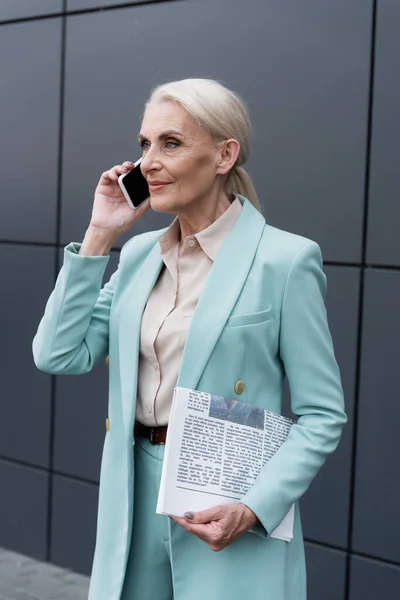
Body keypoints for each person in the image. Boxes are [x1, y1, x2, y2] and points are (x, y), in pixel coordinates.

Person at [32, 78, 347, 600]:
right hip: (133, 490)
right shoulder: (137, 257)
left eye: (170, 143)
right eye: (144, 145)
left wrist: (255, 507)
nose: (148, 162)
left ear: (225, 155)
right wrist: (100, 235)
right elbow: (57, 354)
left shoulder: (286, 261)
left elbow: (323, 414)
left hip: (228, 499)